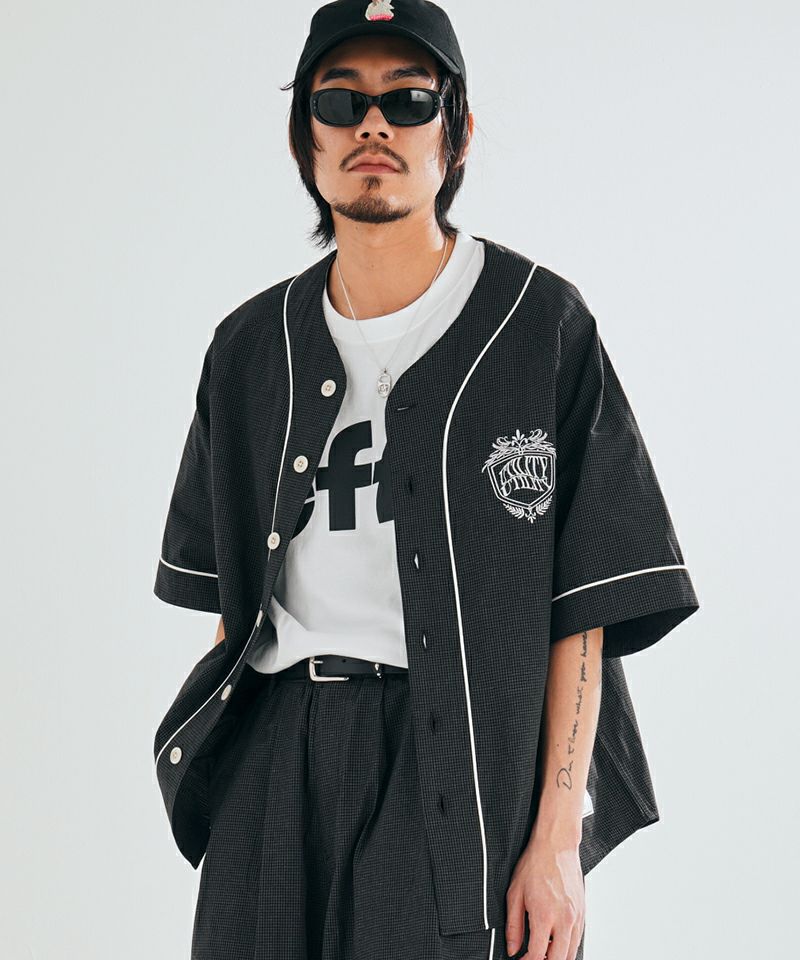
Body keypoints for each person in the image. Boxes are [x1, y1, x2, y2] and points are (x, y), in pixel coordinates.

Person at [151, 2, 700, 959]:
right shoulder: (249, 350)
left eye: (408, 101)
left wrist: (557, 840)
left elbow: (582, 607)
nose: (374, 126)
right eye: (340, 101)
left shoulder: (538, 326)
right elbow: (233, 606)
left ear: (457, 133)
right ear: (304, 138)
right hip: (275, 761)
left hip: (457, 765)